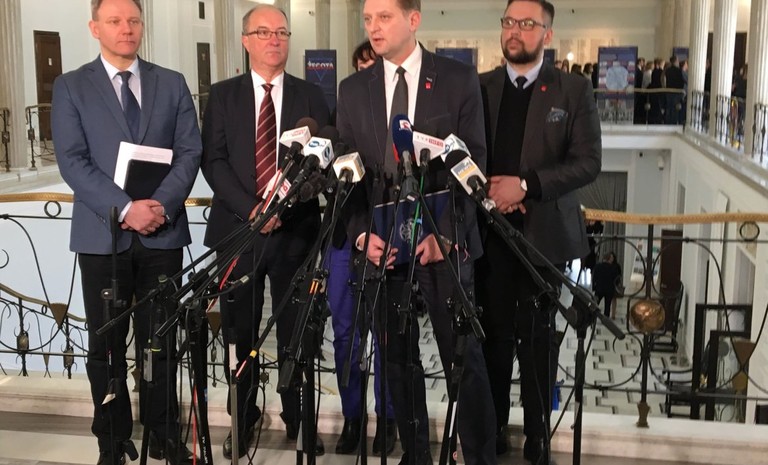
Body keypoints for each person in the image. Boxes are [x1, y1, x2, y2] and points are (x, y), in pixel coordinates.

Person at [336, 0, 497, 464]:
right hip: (384, 249)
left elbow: (473, 162)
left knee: (463, 361)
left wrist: (445, 234)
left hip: (443, 244)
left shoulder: (457, 79)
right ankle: (416, 454)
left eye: (384, 17)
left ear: (413, 19)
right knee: (397, 362)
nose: (374, 27)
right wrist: (361, 233)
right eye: (368, 19)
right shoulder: (352, 90)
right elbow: (348, 172)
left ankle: (479, 455)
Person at [51, 0, 201, 464]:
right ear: (95, 27)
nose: (126, 28)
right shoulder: (72, 86)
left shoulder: (171, 82)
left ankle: (163, 432)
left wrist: (158, 206)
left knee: (162, 341)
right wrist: (126, 209)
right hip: (102, 237)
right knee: (106, 346)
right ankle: (112, 440)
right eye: (115, 21)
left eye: (134, 20)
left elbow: (189, 152)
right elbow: (72, 160)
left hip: (162, 233)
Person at [200, 4, 330, 460]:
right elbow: (213, 161)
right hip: (239, 233)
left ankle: (299, 417)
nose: (274, 39)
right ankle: (244, 415)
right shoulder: (223, 95)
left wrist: (285, 205)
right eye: (263, 32)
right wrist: (254, 210)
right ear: (246, 40)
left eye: (281, 32)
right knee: (241, 335)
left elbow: (323, 160)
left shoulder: (311, 96)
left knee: (299, 333)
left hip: (296, 234)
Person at [476, 1, 602, 464]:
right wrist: (490, 192)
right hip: (489, 235)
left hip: (543, 240)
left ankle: (537, 436)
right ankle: (493, 432)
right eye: (509, 22)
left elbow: (588, 162)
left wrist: (525, 185)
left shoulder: (573, 89)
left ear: (547, 34)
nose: (515, 31)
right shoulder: (481, 86)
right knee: (492, 338)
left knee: (538, 342)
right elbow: (465, 152)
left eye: (527, 24)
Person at [327, 39, 398, 456]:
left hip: (388, 236)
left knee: (387, 336)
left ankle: (387, 418)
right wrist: (356, 234)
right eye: (361, 67)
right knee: (346, 338)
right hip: (344, 238)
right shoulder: (344, 110)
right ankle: (353, 416)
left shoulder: (401, 116)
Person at [592, 252, 622, 318]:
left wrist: (594, 287)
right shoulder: (614, 268)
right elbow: (616, 279)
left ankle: (592, 317)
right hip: (609, 290)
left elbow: (594, 278)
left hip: (599, 288)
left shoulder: (598, 266)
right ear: (609, 259)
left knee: (595, 303)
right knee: (607, 306)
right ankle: (605, 319)